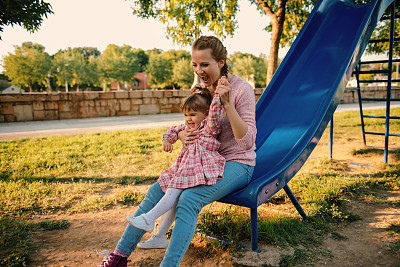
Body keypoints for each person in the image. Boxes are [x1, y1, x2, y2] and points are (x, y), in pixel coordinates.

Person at [97, 35, 257, 267]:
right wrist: (182, 135)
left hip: (237, 163)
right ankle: (118, 257)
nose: (199, 70)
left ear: (221, 62)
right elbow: (191, 122)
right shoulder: (202, 88)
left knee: (188, 199)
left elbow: (247, 143)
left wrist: (227, 104)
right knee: (157, 189)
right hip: (205, 160)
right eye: (194, 64)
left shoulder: (242, 90)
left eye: (204, 65)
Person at [125, 85, 225, 249]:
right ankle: (159, 236)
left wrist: (216, 97)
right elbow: (172, 130)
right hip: (184, 169)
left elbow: (214, 114)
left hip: (199, 169)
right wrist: (167, 140)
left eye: (193, 114)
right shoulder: (186, 128)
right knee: (175, 199)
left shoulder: (209, 127)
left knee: (172, 191)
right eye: (186, 115)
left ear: (206, 113)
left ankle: (149, 219)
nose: (188, 119)